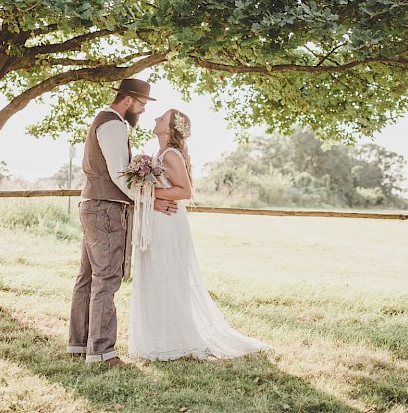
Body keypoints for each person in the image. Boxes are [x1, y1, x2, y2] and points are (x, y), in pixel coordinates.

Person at [127, 108, 270, 361]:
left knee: (168, 275)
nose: (155, 119)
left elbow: (185, 192)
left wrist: (146, 193)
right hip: (157, 221)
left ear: (170, 129)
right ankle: (159, 336)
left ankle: (176, 337)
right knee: (157, 274)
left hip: (168, 222)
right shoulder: (158, 154)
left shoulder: (170, 155)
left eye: (161, 118)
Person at [67, 78, 177, 366]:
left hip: (94, 204)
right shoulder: (114, 124)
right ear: (128, 100)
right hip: (106, 208)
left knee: (88, 277)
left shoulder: (104, 122)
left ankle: (79, 344)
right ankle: (102, 352)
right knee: (106, 278)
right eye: (141, 104)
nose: (141, 111)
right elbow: (118, 174)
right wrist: (150, 201)